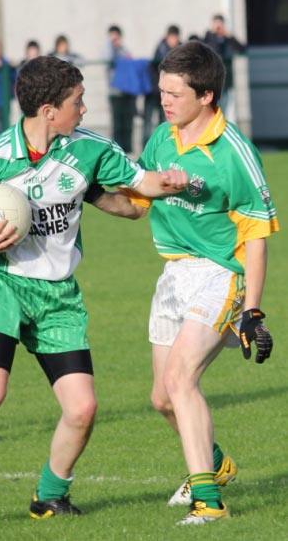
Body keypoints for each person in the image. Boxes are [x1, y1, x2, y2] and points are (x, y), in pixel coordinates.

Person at [0, 55, 188, 533]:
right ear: (49, 109)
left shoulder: (90, 149)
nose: (85, 107)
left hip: (59, 295)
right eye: (77, 101)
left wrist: (177, 181)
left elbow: (141, 183)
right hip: (2, 282)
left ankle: (49, 496)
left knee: (82, 407)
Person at [123, 40, 279, 525]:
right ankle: (214, 463)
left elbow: (256, 233)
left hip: (220, 276)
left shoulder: (234, 151)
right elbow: (135, 204)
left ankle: (209, 503)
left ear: (206, 95)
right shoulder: (161, 138)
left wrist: (252, 309)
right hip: (174, 273)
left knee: (180, 379)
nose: (164, 101)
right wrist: (83, 193)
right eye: (162, 91)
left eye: (174, 93)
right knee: (161, 398)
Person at [142, 25, 181, 147]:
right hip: (153, 92)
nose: (173, 40)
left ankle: (162, 145)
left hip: (164, 92)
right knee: (148, 121)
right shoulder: (160, 51)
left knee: (163, 121)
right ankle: (147, 146)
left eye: (175, 38)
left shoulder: (179, 51)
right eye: (172, 37)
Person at [203, 14, 246, 116]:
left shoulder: (228, 39)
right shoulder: (209, 37)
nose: (218, 28)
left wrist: (228, 36)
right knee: (211, 111)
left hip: (226, 81)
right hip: (212, 81)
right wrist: (212, 34)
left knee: (223, 111)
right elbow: (206, 48)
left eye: (220, 25)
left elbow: (242, 49)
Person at [103, 25, 137, 154]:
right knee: (117, 123)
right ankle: (118, 150)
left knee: (128, 122)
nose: (115, 39)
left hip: (127, 93)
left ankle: (129, 149)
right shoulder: (108, 50)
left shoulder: (124, 50)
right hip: (115, 93)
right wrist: (110, 44)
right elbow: (107, 58)